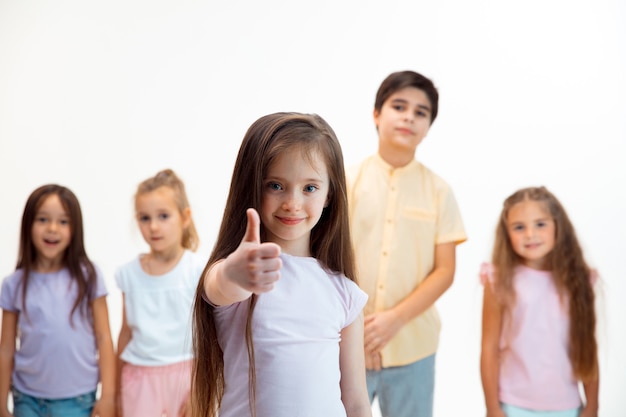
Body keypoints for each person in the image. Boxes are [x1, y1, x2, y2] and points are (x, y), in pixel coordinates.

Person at [190, 112, 372, 417]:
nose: (292, 203)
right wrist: (234, 273)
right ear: (252, 186)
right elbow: (219, 286)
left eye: (310, 188)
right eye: (276, 185)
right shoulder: (240, 275)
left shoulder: (345, 293)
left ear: (330, 195)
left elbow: (355, 402)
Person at [346, 70, 467, 417]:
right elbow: (326, 258)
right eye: (399, 106)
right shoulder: (345, 180)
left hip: (414, 347)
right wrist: (358, 329)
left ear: (428, 125)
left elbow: (445, 271)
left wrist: (393, 321)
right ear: (376, 114)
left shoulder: (439, 191)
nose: (409, 117)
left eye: (420, 112)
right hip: (345, 345)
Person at [480, 186, 599, 417]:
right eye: (519, 227)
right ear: (507, 233)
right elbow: (488, 348)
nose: (530, 235)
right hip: (512, 404)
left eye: (540, 224)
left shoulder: (579, 281)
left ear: (558, 226)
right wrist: (492, 407)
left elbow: (587, 347)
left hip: (566, 406)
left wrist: (593, 405)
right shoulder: (498, 280)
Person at [0, 184, 116, 417]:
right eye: (43, 219)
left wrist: (109, 397)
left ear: (75, 229)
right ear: (28, 225)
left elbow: (104, 338)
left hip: (77, 400)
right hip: (28, 399)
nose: (52, 229)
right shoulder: (14, 284)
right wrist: (1, 404)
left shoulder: (88, 276)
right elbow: (6, 348)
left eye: (63, 222)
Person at [116, 169, 205, 417]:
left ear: (184, 217)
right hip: (140, 377)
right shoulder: (128, 274)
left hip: (188, 375)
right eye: (144, 218)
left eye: (163, 216)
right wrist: (113, 394)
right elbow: (125, 333)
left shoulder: (197, 270)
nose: (153, 226)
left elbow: (209, 334)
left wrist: (200, 390)